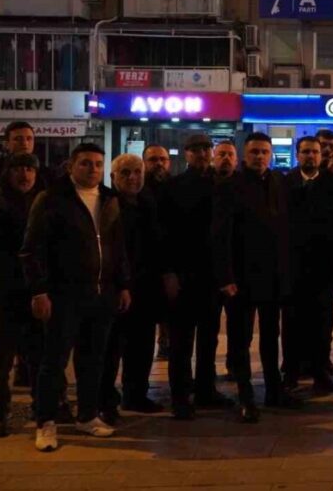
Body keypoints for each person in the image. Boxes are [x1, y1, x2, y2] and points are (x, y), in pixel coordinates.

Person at [21, 143, 132, 452]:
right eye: (85, 163)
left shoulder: (110, 199)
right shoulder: (52, 199)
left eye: (98, 164)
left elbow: (118, 247)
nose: (92, 169)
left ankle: (87, 415)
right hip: (63, 295)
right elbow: (32, 249)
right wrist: (39, 291)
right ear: (71, 166)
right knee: (53, 362)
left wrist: (122, 285)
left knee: (93, 360)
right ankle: (46, 422)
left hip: (102, 295)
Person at [214, 132, 297, 423]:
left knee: (271, 336)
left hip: (273, 277)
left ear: (271, 154)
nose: (259, 156)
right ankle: (246, 396)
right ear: (244, 155)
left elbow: (287, 230)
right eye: (254, 152)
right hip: (242, 279)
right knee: (240, 339)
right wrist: (226, 277)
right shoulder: (230, 187)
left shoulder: (279, 183)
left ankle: (274, 390)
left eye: (264, 152)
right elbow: (221, 236)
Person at [157, 134, 233, 420]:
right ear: (186, 154)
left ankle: (205, 389)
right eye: (196, 150)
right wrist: (169, 272)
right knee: (181, 340)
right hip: (184, 275)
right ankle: (180, 396)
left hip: (212, 277)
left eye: (206, 149)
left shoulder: (222, 185)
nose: (202, 154)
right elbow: (164, 235)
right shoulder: (173, 187)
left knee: (209, 338)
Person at [0, 153, 44, 438]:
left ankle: (46, 409)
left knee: (42, 358)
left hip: (37, 294)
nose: (25, 175)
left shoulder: (44, 204)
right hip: (4, 295)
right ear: (8, 173)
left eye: (29, 169)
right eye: (19, 169)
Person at [100, 155, 168, 425]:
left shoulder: (147, 202)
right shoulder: (108, 205)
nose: (132, 177)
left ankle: (136, 394)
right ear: (114, 176)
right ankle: (105, 401)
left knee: (141, 345)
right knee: (112, 348)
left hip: (146, 287)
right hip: (118, 288)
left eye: (137, 172)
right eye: (125, 172)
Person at [282, 137, 333, 394]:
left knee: (322, 323)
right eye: (305, 152)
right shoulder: (283, 184)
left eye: (315, 152)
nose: (310, 156)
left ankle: (321, 374)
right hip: (292, 268)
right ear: (297, 155)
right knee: (292, 322)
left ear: (321, 156)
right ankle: (291, 373)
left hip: (323, 268)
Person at [0, 122, 47, 255]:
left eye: (29, 139)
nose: (25, 143)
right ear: (6, 143)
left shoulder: (46, 174)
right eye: (18, 139)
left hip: (39, 254)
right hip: (1, 253)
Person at [141, 143, 171, 361]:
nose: (158, 163)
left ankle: (165, 343)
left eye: (162, 159)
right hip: (143, 261)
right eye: (153, 160)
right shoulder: (137, 189)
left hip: (169, 259)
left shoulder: (175, 188)